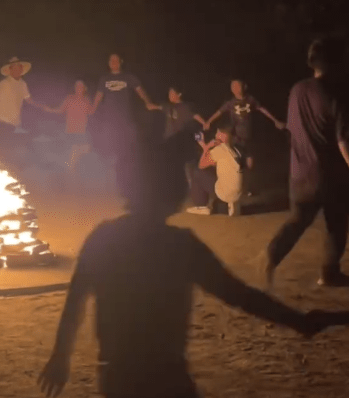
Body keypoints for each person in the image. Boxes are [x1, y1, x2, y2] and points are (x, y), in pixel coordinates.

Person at [37, 138, 348, 398]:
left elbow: (75, 302)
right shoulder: (179, 246)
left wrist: (61, 357)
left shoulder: (103, 238)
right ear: (171, 188)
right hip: (168, 377)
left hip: (117, 377)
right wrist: (298, 320)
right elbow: (238, 294)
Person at [263, 37, 349, 288]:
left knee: (298, 220)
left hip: (300, 172)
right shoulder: (336, 93)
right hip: (330, 176)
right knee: (336, 223)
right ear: (335, 61)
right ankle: (329, 273)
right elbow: (343, 140)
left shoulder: (297, 89)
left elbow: (293, 129)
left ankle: (270, 257)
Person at [0, 57, 47, 166]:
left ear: (21, 70)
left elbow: (29, 100)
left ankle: (10, 172)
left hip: (16, 124)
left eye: (18, 68)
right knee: (2, 150)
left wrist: (42, 106)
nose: (17, 70)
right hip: (3, 122)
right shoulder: (4, 83)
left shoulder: (23, 84)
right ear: (10, 70)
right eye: (14, 68)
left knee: (13, 152)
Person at [204, 79, 285, 170]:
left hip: (249, 135)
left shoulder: (250, 100)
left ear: (244, 87)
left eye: (236, 86)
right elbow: (219, 112)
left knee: (250, 161)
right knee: (236, 159)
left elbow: (262, 109)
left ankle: (249, 176)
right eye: (232, 87)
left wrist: (275, 120)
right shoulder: (230, 103)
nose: (234, 88)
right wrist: (209, 122)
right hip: (236, 136)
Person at [91, 53, 157, 163]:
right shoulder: (104, 79)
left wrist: (148, 102)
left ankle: (125, 164)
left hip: (125, 116)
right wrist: (93, 108)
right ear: (109, 63)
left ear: (121, 62)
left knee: (124, 143)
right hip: (109, 117)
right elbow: (99, 95)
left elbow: (140, 90)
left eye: (116, 60)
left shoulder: (128, 77)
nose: (114, 62)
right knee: (109, 142)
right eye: (111, 60)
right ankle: (109, 166)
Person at [149, 86, 207, 185]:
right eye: (169, 93)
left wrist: (204, 123)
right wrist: (151, 106)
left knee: (188, 165)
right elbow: (158, 107)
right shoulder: (169, 106)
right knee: (170, 164)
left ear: (179, 94)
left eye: (172, 93)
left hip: (181, 141)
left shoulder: (186, 107)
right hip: (169, 140)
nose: (170, 95)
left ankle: (193, 185)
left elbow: (195, 115)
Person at [186, 125, 244, 216]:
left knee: (197, 171)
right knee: (213, 172)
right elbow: (213, 163)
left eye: (216, 137)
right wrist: (205, 146)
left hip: (225, 192)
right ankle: (232, 204)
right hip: (238, 194)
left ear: (219, 139)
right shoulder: (235, 150)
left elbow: (201, 165)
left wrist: (207, 147)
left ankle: (201, 207)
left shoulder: (219, 149)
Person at [43, 80, 95, 174]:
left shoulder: (86, 99)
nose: (79, 88)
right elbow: (60, 110)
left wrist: (96, 102)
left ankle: (71, 168)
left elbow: (91, 111)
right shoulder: (69, 98)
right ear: (75, 88)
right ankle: (70, 170)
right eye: (77, 86)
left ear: (84, 89)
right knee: (73, 150)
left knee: (86, 149)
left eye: (81, 86)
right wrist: (49, 110)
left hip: (82, 129)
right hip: (71, 129)